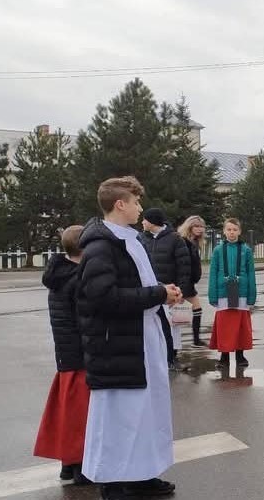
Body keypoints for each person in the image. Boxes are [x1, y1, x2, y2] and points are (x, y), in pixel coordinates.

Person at [77, 176, 183, 500]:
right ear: (119, 204)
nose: (140, 208)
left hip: (142, 339)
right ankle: (112, 482)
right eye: (135, 202)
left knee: (146, 412)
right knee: (118, 417)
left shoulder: (132, 239)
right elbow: (102, 297)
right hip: (118, 345)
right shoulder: (100, 246)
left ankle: (142, 474)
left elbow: (139, 284)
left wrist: (164, 294)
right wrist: (157, 294)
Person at [33, 225, 92, 486]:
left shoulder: (59, 274)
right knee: (81, 416)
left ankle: (67, 465)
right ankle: (81, 467)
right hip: (81, 353)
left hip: (66, 355)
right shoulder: (79, 279)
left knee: (68, 414)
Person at [139, 207, 192, 369]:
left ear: (152, 221)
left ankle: (171, 357)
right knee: (152, 327)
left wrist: (181, 290)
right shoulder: (141, 238)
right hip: (150, 291)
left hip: (171, 291)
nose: (142, 222)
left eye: (145, 219)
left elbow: (184, 266)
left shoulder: (175, 239)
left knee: (171, 327)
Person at [208, 218, 257, 369]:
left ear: (239, 231)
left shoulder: (246, 250)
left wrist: (251, 295)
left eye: (235, 229)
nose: (231, 232)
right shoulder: (217, 250)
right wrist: (213, 295)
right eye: (229, 229)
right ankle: (224, 356)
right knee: (224, 326)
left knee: (241, 325)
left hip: (241, 292)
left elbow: (250, 273)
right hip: (223, 292)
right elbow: (213, 272)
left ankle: (240, 355)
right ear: (224, 231)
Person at [177, 215, 208, 347]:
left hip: (189, 282)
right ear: (189, 226)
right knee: (176, 315)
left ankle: (196, 339)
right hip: (182, 282)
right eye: (196, 226)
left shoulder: (194, 242)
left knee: (196, 309)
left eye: (201, 227)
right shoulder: (183, 241)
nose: (200, 229)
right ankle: (174, 348)